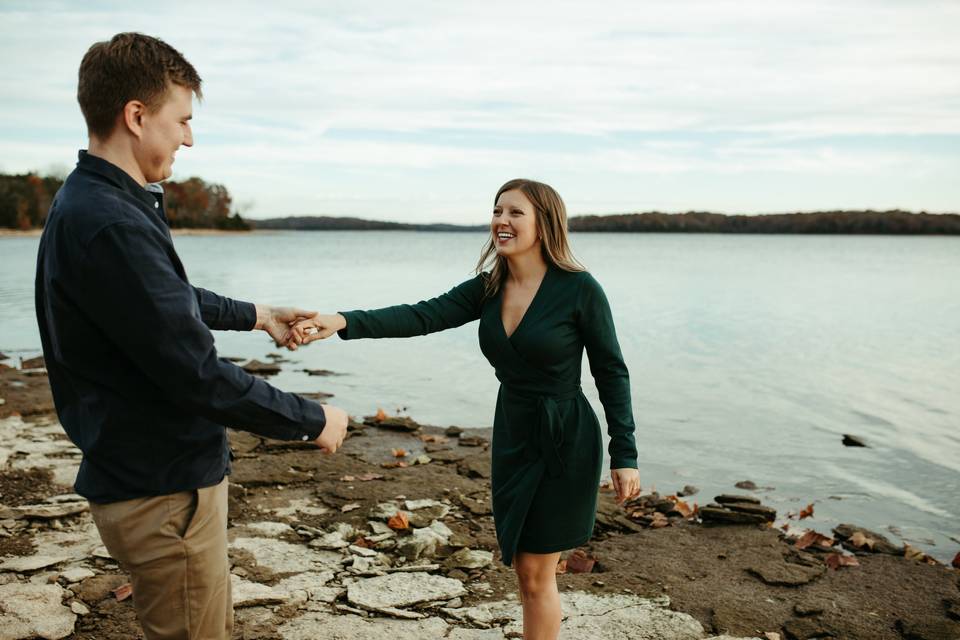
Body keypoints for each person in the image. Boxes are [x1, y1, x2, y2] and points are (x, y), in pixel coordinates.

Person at [33, 32, 349, 640]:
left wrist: (258, 314)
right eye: (182, 120)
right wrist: (310, 419)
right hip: (162, 490)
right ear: (136, 116)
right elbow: (193, 372)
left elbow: (162, 304)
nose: (188, 137)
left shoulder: (98, 204)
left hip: (151, 477)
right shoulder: (110, 221)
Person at [292, 178, 641, 640]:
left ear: (545, 222)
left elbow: (611, 372)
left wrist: (625, 454)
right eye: (498, 211)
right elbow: (421, 315)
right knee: (524, 569)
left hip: (565, 438)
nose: (501, 220)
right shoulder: (488, 287)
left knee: (538, 573)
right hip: (514, 435)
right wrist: (342, 321)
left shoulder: (579, 289)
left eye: (516, 212)